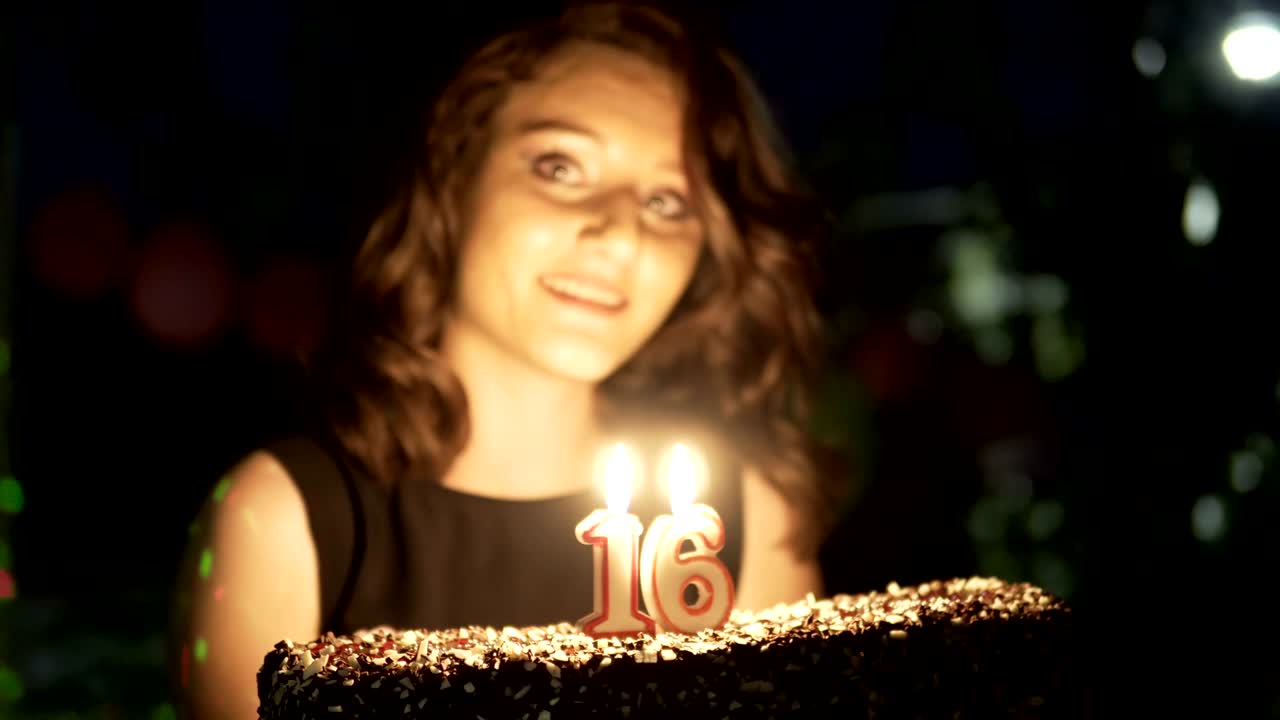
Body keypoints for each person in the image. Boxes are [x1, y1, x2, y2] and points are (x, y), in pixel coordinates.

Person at [169, 1, 846, 717]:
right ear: (455, 176)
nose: (621, 234)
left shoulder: (740, 522)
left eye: (669, 201)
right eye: (561, 166)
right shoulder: (284, 519)